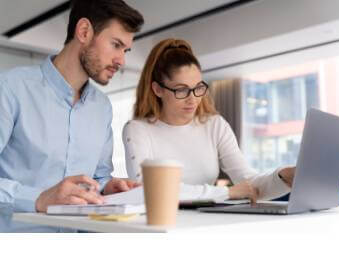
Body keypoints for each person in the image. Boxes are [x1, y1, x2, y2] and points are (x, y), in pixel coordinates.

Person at [0, 0, 144, 219]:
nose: (122, 60)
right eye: (116, 45)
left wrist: (107, 187)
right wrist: (37, 199)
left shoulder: (102, 107)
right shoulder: (10, 89)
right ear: (84, 31)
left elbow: (99, 177)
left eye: (126, 50)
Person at [122, 39, 295, 202]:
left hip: (207, 223)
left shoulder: (214, 125)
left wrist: (284, 176)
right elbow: (148, 189)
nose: (193, 100)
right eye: (181, 90)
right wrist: (226, 193)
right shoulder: (137, 130)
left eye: (198, 88)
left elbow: (248, 181)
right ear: (158, 89)